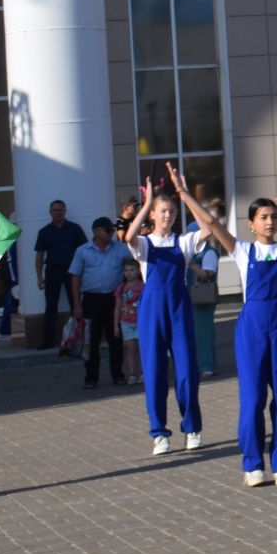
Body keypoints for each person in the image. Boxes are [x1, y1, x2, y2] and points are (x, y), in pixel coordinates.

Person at [175, 171, 277, 487]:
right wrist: (184, 193)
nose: (270, 222)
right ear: (251, 223)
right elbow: (211, 222)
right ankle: (253, 465)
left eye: (274, 216)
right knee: (252, 400)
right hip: (252, 332)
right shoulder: (242, 251)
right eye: (263, 217)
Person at [122, 183, 207, 455]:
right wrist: (146, 203)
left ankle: (192, 428)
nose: (167, 215)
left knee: (187, 371)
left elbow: (208, 227)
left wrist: (185, 195)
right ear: (153, 215)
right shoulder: (145, 245)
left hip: (179, 306)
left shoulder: (183, 242)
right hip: (152, 309)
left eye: (171, 211)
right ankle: (159, 433)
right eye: (162, 211)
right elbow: (128, 236)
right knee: (155, 371)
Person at [67, 217, 127, 389]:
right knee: (90, 341)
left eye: (112, 231)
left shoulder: (120, 249)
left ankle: (118, 374)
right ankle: (91, 377)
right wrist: (77, 304)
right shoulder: (83, 251)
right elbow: (75, 278)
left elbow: (134, 266)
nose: (111, 233)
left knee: (115, 338)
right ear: (95, 231)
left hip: (114, 300)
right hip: (91, 300)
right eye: (107, 230)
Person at [33, 199, 87, 347]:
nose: (58, 212)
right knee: (50, 307)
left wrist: (84, 274)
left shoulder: (75, 229)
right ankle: (48, 341)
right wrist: (39, 277)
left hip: (73, 271)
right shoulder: (44, 232)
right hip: (52, 271)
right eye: (55, 210)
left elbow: (84, 252)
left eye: (61, 210)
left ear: (65, 211)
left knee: (75, 304)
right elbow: (39, 255)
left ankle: (77, 339)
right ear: (50, 212)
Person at [189, 215, 221, 378]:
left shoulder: (209, 253)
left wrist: (191, 265)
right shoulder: (193, 252)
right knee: (196, 333)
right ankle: (200, 364)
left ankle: (208, 365)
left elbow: (207, 275)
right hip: (193, 298)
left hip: (203, 299)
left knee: (204, 333)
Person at [117, 261, 144, 383]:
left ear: (138, 271)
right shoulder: (121, 288)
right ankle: (132, 374)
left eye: (132, 270)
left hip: (141, 321)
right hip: (126, 322)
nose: (129, 273)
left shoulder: (143, 286)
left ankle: (145, 372)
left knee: (142, 348)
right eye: (126, 270)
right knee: (130, 348)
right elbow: (117, 307)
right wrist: (115, 325)